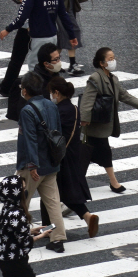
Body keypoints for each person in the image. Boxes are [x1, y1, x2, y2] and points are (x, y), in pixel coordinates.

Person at [81, 47, 138, 194]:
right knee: (97, 154)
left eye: (113, 58)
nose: (113, 61)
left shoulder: (112, 78)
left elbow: (123, 94)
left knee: (89, 155)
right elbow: (87, 101)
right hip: (94, 126)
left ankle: (84, 182)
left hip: (102, 125)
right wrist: (84, 120)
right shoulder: (95, 78)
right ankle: (112, 183)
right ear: (102, 63)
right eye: (110, 59)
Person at [16, 72, 66, 252]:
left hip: (33, 166)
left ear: (24, 91)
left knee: (20, 201)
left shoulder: (27, 111)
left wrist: (31, 165)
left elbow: (30, 139)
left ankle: (16, 235)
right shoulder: (51, 105)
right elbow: (58, 133)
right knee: (53, 203)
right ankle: (57, 239)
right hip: (51, 163)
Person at [43, 76, 98, 237]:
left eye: (52, 93)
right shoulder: (74, 109)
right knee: (67, 192)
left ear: (57, 93)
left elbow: (52, 134)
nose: (51, 96)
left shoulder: (57, 111)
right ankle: (88, 217)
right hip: (73, 154)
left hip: (59, 157)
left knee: (49, 194)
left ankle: (48, 229)